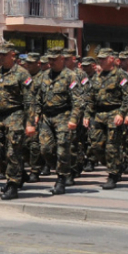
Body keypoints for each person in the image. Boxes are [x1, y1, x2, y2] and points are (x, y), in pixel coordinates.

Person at [0, 42, 34, 201]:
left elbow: (29, 100)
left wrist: (30, 123)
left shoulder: (22, 74)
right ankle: (17, 174)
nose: (1, 58)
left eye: (5, 55)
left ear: (13, 55)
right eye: (0, 55)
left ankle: (13, 184)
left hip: (15, 114)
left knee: (13, 150)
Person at [34, 51, 83, 195]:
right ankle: (62, 168)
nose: (51, 62)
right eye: (50, 60)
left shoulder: (70, 76)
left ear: (62, 59)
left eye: (54, 59)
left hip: (64, 115)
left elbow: (78, 101)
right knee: (45, 149)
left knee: (63, 148)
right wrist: (36, 114)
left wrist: (74, 119)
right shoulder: (44, 76)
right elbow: (38, 98)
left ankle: (61, 178)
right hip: (47, 117)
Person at [84, 48, 128, 190]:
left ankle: (112, 175)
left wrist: (122, 114)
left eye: (103, 58)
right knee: (96, 146)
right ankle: (116, 165)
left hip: (114, 113)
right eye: (99, 59)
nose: (100, 61)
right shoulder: (97, 77)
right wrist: (87, 115)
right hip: (99, 115)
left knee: (112, 146)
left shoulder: (121, 76)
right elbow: (91, 98)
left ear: (111, 59)